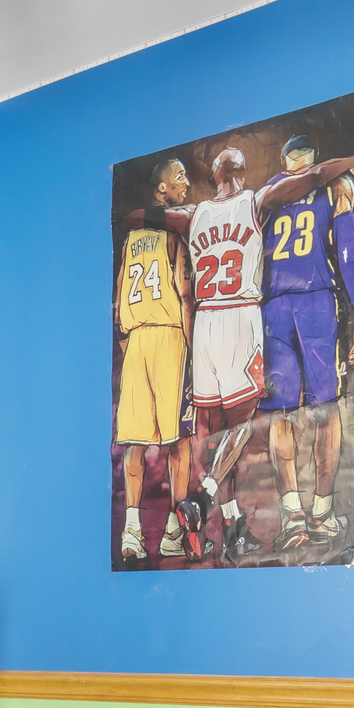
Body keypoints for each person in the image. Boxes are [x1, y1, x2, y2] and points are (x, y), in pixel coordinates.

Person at [128, 139, 354, 558]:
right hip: (253, 313)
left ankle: (256, 519)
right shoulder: (261, 200)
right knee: (266, 419)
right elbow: (321, 192)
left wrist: (125, 217)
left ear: (212, 176)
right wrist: (352, 160)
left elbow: (148, 218)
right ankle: (220, 499)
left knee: (219, 429)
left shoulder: (194, 214)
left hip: (217, 319)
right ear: (240, 174)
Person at [256, 133, 354, 549]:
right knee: (326, 410)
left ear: (285, 160)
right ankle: (321, 513)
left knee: (280, 415)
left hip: (273, 307)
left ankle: (292, 516)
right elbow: (348, 251)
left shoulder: (266, 195)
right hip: (316, 301)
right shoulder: (334, 185)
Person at [113, 158, 197, 564]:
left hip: (136, 339)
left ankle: (131, 532)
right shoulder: (172, 235)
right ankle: (172, 534)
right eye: (179, 178)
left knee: (135, 442)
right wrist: (193, 352)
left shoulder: (131, 240)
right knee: (178, 442)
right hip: (168, 337)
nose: (187, 183)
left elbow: (118, 298)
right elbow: (184, 293)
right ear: (162, 189)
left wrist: (126, 341)